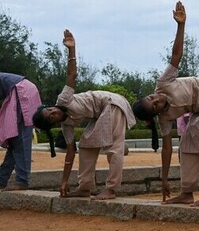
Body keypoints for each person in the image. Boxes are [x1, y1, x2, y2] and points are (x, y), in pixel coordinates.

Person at [132, 1, 199, 206]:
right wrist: (163, 179)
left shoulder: (163, 84)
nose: (156, 100)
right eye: (154, 105)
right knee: (187, 145)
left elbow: (176, 56)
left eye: (151, 97)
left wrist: (181, 25)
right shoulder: (164, 119)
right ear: (155, 114)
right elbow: (167, 149)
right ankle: (186, 192)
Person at [32, 30, 136, 200]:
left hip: (112, 103)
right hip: (100, 114)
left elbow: (72, 75)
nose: (54, 112)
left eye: (50, 110)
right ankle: (85, 186)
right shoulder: (67, 127)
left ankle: (111, 189)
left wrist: (71, 49)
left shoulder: (63, 100)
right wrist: (64, 181)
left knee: (114, 148)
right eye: (51, 117)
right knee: (86, 145)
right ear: (53, 124)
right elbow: (70, 152)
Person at [0, 71, 42, 190]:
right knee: (14, 142)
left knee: (21, 139)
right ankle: (2, 179)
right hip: (24, 91)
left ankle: (22, 181)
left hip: (22, 92)